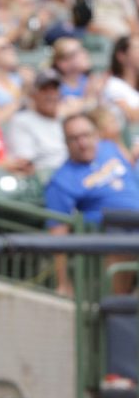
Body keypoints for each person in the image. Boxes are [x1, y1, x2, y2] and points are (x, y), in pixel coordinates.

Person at [45, 113, 139, 297]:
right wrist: (63, 283)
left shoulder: (110, 148)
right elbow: (57, 234)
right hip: (112, 231)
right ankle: (118, 309)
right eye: (74, 139)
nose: (82, 143)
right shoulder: (61, 180)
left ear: (96, 134)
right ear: (66, 143)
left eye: (86, 135)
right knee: (121, 239)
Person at [5, 68, 69, 177]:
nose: (51, 95)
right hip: (46, 178)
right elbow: (24, 164)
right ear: (33, 94)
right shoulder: (22, 121)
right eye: (45, 90)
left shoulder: (65, 120)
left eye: (54, 89)